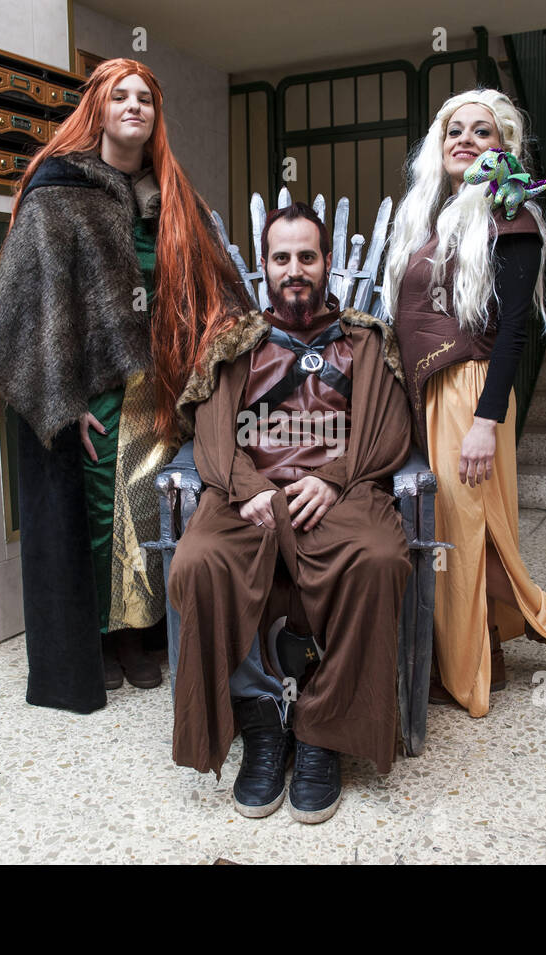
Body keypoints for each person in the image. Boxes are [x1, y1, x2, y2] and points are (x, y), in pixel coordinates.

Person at [0, 58, 249, 713]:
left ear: (156, 117)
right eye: (119, 95)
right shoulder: (58, 189)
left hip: (163, 392)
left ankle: (143, 635)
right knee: (103, 519)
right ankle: (99, 641)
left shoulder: (174, 194)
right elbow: (29, 302)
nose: (134, 106)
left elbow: (217, 288)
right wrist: (62, 399)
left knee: (156, 514)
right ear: (97, 108)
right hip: (98, 391)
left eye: (145, 99)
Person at [169, 203, 412, 823]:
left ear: (327, 264)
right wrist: (248, 487)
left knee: (379, 557)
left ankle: (321, 731)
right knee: (199, 560)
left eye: (308, 256)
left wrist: (332, 479)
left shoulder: (365, 340)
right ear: (266, 266)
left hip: (343, 489)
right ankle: (259, 718)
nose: (295, 269)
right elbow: (213, 431)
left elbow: (387, 433)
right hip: (248, 495)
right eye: (283, 258)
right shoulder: (237, 343)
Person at [385, 88, 546, 718]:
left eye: (481, 132)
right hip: (429, 393)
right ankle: (485, 659)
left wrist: (485, 421)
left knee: (471, 531)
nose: (465, 140)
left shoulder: (512, 215)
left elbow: (515, 333)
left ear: (502, 148)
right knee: (451, 530)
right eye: (454, 130)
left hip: (471, 395)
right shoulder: (428, 217)